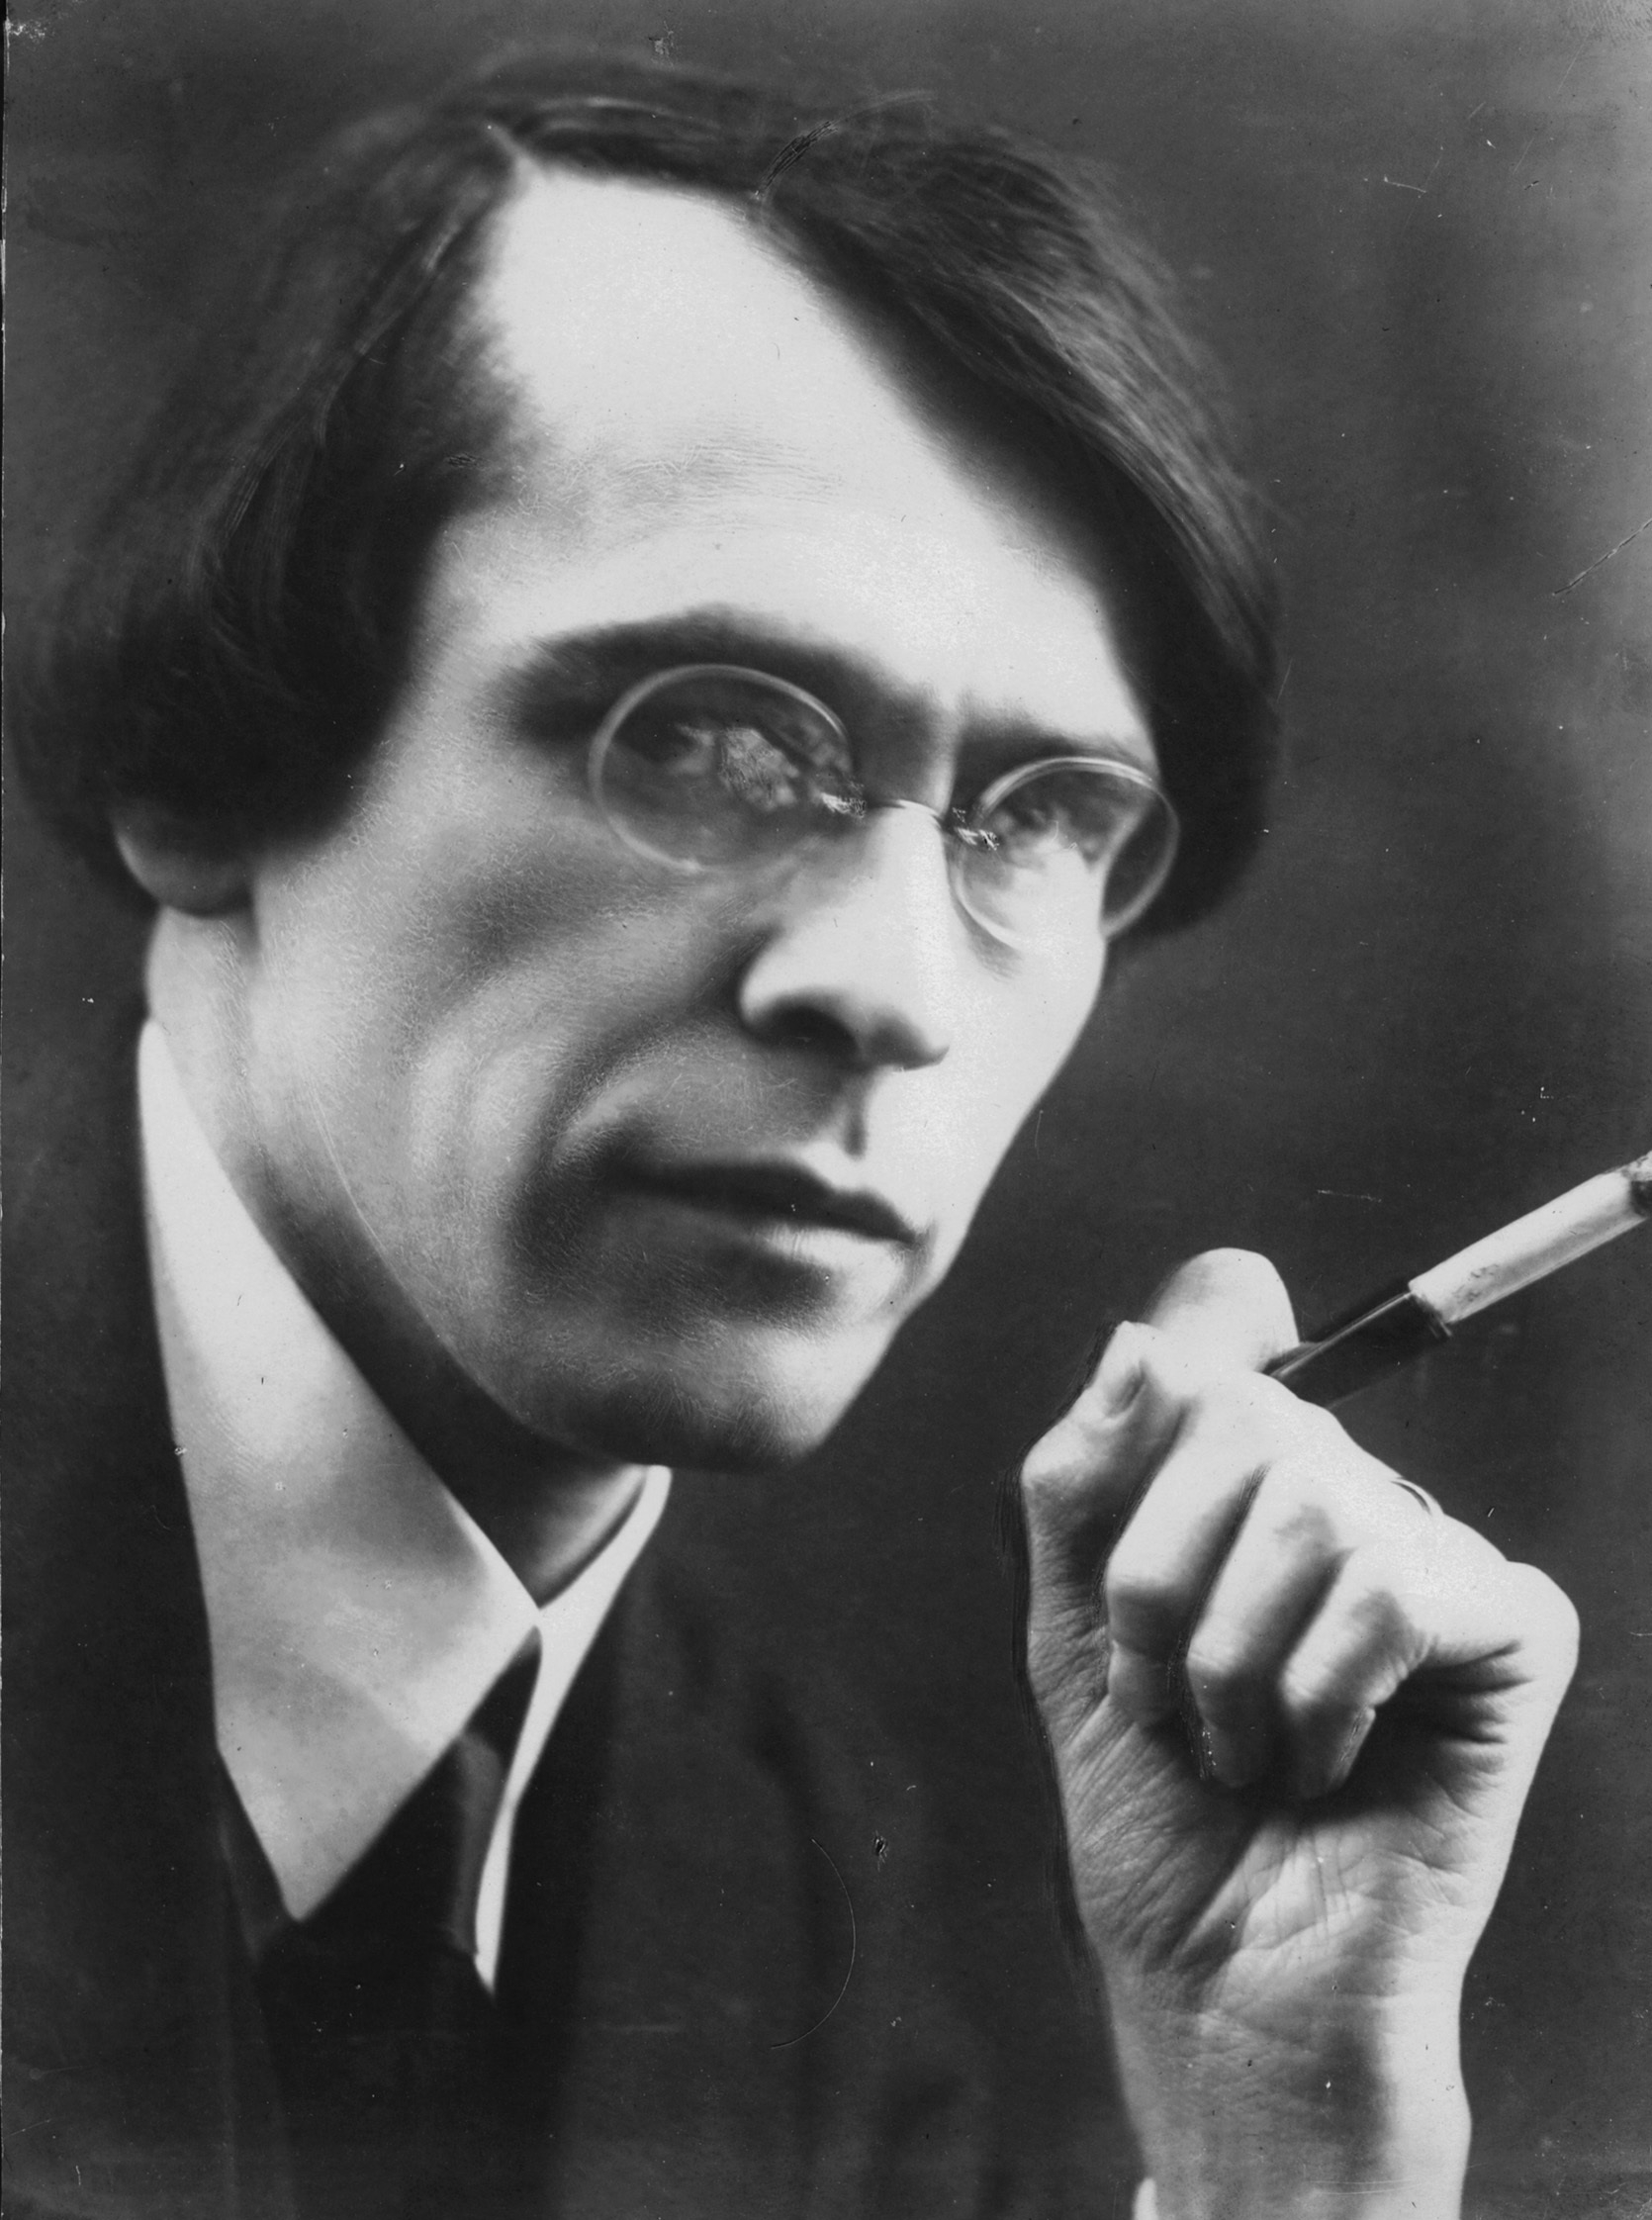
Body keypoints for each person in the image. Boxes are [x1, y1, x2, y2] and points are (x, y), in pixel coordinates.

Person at [5, 46, 1578, 2220]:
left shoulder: (775, 1860)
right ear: (197, 772)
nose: (896, 992)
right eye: (716, 744)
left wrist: (1274, 2143)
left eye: (1039, 818)